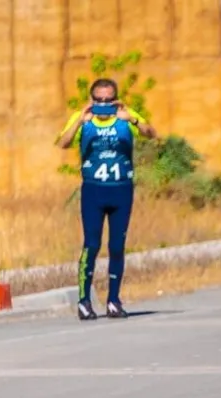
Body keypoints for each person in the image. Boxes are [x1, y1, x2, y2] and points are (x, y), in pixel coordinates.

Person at [55, 77, 157, 320]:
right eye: (99, 100)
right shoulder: (84, 118)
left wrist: (132, 119)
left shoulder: (125, 116)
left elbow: (152, 133)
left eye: (108, 100)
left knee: (117, 246)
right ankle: (84, 301)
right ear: (91, 99)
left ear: (116, 99)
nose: (103, 105)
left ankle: (113, 300)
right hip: (93, 190)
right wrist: (80, 121)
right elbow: (63, 143)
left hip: (121, 189)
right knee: (91, 245)